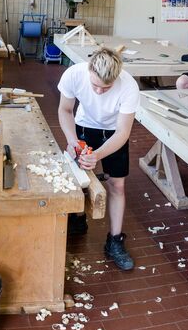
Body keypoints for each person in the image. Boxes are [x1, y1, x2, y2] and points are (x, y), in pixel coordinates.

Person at [57, 47, 140, 271]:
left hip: (114, 133)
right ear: (89, 69)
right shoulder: (74, 74)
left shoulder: (129, 86)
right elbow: (65, 111)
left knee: (117, 185)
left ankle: (114, 241)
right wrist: (73, 140)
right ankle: (77, 219)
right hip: (84, 126)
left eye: (106, 87)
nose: (99, 91)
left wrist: (98, 155)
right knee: (80, 178)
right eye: (95, 85)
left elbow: (123, 132)